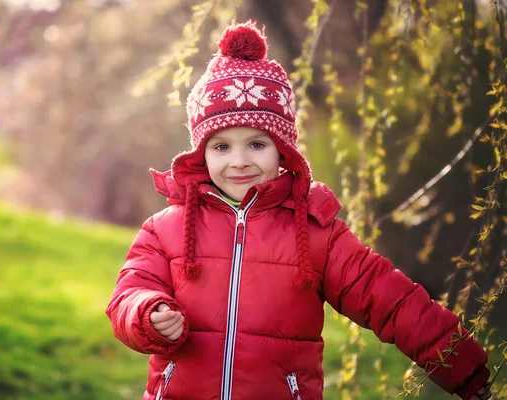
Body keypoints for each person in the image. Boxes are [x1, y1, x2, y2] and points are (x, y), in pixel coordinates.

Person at [106, 21, 493, 400]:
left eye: (257, 144)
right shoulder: (165, 229)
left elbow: (392, 302)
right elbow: (127, 294)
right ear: (201, 154)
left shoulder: (317, 232)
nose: (239, 161)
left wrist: (464, 367)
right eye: (221, 147)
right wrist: (147, 313)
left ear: (283, 151)